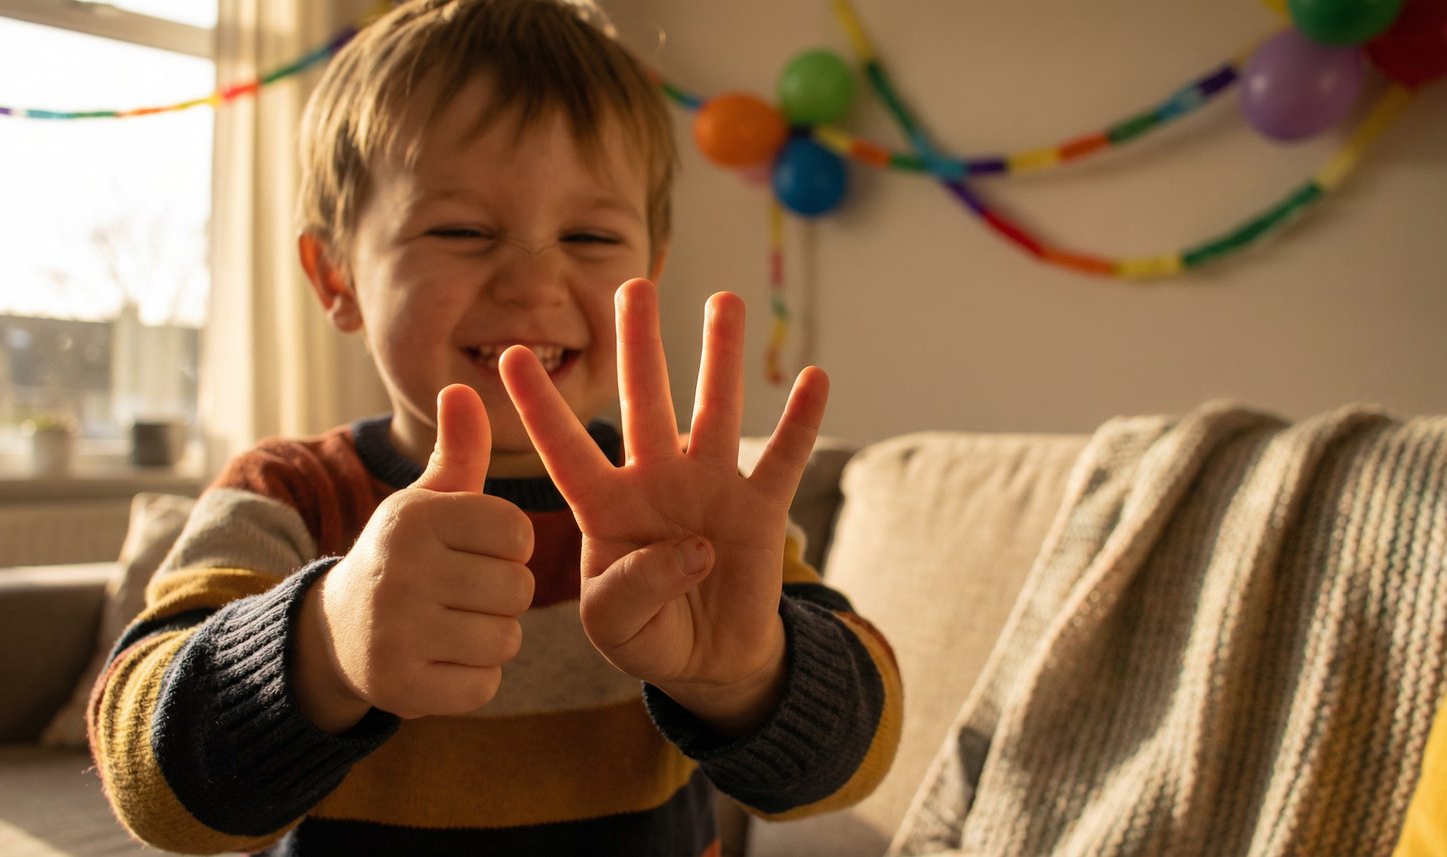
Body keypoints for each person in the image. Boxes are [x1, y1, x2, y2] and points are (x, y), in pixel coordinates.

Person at [88, 1, 902, 854]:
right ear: (337, 275)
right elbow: (154, 789)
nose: (532, 281)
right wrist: (324, 646)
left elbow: (855, 763)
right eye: (462, 229)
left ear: (650, 269)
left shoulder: (696, 505)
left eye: (589, 234)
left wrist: (749, 678)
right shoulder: (284, 496)